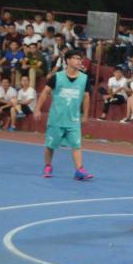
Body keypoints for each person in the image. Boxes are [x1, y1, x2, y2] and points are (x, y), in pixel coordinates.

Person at [34, 49, 94, 180]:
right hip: (56, 119)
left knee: (77, 145)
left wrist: (85, 115)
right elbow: (44, 93)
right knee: (50, 146)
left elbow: (86, 97)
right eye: (76, 58)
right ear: (68, 60)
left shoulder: (84, 78)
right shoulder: (57, 77)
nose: (79, 61)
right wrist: (37, 109)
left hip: (73, 120)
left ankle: (79, 170)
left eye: (80, 59)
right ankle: (48, 166)